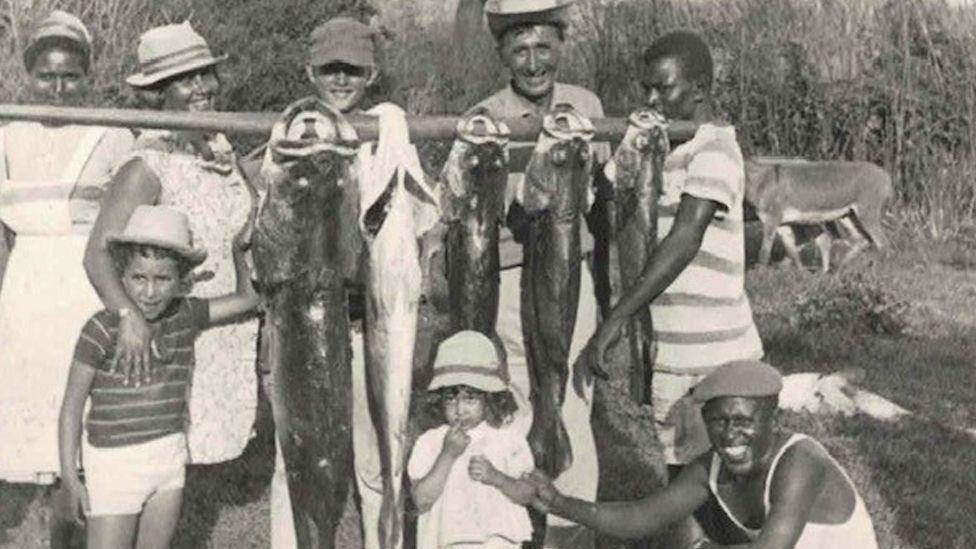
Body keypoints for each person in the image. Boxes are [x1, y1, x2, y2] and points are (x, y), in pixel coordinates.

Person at [575, 29, 765, 546]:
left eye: (664, 89)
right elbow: (600, 199)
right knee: (682, 488)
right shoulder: (651, 148)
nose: (653, 101)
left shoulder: (716, 148)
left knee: (722, 498)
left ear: (699, 89)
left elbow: (684, 239)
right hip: (672, 360)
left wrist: (615, 319)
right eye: (646, 91)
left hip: (720, 360)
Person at [84, 22, 259, 465]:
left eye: (205, 74)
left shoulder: (221, 149)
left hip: (228, 316)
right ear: (160, 91)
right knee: (162, 449)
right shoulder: (148, 163)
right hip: (174, 323)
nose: (201, 87)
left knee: (205, 442)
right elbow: (97, 254)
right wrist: (129, 318)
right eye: (185, 79)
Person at [471, 0, 611, 544]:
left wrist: (603, 288)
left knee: (570, 403)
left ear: (561, 45)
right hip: (510, 278)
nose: (533, 62)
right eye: (520, 49)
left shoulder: (586, 104)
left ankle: (568, 532)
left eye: (544, 47)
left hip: (568, 277)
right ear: (502, 53)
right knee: (517, 402)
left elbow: (601, 201)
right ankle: (510, 527)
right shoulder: (485, 114)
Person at [59, 205, 260, 548]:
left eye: (162, 279)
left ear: (181, 280)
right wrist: (69, 479)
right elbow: (71, 409)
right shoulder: (100, 330)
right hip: (114, 467)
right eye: (139, 278)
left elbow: (248, 299)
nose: (149, 292)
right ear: (121, 275)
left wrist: (237, 253)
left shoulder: (186, 314)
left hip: (168, 461)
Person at [529, 360, 880, 549]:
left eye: (743, 421)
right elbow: (641, 517)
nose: (729, 434)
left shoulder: (801, 461)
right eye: (717, 421)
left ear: (773, 419)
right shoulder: (710, 465)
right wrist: (559, 503)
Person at [260, 17, 384, 549]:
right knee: (297, 450)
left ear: (371, 74)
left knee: (370, 451)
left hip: (363, 317)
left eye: (352, 70)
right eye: (330, 69)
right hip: (296, 317)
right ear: (310, 71)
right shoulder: (289, 132)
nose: (341, 80)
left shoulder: (389, 129)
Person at [0, 10, 134, 486]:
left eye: (71, 78)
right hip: (26, 286)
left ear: (89, 76)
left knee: (83, 414)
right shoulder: (7, 133)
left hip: (85, 283)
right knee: (32, 415)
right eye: (46, 78)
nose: (58, 91)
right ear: (26, 76)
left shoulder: (114, 134)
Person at [408, 331, 537, 548]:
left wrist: (497, 477)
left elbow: (529, 493)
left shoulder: (507, 439)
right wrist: (447, 456)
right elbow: (421, 499)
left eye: (470, 398)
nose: (460, 410)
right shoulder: (430, 442)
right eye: (451, 398)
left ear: (488, 396)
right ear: (439, 399)